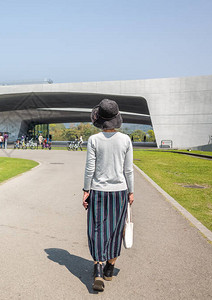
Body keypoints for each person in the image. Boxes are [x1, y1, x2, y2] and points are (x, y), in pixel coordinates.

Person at [82, 99, 134, 292]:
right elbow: (129, 170)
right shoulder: (126, 140)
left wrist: (86, 191)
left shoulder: (94, 140)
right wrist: (131, 191)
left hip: (98, 191)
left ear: (100, 119)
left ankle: (97, 269)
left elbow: (90, 169)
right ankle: (110, 269)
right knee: (115, 230)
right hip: (119, 191)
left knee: (97, 229)